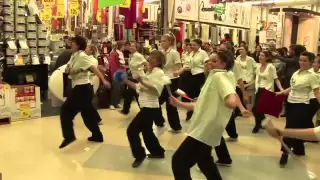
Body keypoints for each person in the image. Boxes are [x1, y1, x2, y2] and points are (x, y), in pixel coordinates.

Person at [169, 50, 251, 180]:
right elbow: (200, 105)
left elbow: (231, 96)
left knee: (179, 162)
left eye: (214, 61)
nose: (209, 64)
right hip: (208, 127)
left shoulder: (219, 77)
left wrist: (232, 102)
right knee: (204, 160)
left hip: (205, 128)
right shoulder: (224, 75)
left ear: (223, 64)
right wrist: (180, 104)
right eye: (208, 61)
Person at [59, 36, 111, 149]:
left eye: (73, 42)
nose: (70, 44)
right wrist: (72, 70)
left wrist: (103, 80)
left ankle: (69, 136)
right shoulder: (74, 55)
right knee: (86, 114)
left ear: (78, 45)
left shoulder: (82, 56)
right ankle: (97, 136)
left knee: (65, 110)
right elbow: (67, 69)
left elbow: (95, 69)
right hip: (79, 88)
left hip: (83, 89)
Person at [124, 50, 170, 168]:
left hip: (150, 108)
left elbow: (155, 90)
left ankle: (139, 155)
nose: (150, 59)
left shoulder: (158, 73)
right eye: (150, 57)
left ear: (159, 61)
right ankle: (157, 152)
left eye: (153, 58)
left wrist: (141, 81)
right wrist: (125, 81)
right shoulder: (150, 72)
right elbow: (138, 87)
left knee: (132, 130)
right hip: (147, 107)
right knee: (146, 131)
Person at [275, 51, 320, 166]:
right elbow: (293, 87)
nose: (302, 62)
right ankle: (300, 149)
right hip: (291, 103)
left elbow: (317, 92)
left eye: (305, 61)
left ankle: (284, 153)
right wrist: (282, 93)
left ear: (311, 62)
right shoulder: (297, 72)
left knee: (289, 128)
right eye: (300, 60)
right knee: (297, 127)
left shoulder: (312, 76)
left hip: (302, 105)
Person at [155, 33, 182, 131]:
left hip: (172, 80)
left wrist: (177, 72)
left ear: (170, 42)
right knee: (156, 101)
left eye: (164, 41)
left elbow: (179, 67)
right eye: (161, 41)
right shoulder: (161, 52)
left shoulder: (174, 53)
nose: (162, 43)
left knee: (170, 104)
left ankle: (176, 126)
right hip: (162, 79)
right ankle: (159, 121)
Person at [252, 51, 284, 133]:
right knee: (256, 109)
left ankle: (257, 125)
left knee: (256, 109)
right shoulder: (257, 66)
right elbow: (256, 78)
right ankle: (261, 120)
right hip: (258, 89)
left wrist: (281, 89)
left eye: (262, 55)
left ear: (266, 57)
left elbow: (276, 79)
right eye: (259, 55)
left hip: (267, 90)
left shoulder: (271, 67)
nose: (260, 57)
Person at [184, 39, 208, 121]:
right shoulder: (191, 53)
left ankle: (198, 114)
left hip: (199, 75)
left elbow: (207, 64)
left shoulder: (203, 53)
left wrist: (206, 75)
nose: (192, 46)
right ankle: (190, 112)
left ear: (199, 45)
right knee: (190, 95)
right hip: (192, 74)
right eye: (191, 45)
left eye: (194, 45)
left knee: (198, 96)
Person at [120, 42, 148, 115]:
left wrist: (148, 72)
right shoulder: (131, 56)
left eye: (133, 46)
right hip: (134, 77)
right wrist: (128, 71)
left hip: (139, 78)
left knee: (137, 94)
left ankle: (143, 111)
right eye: (130, 46)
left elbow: (147, 63)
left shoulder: (139, 56)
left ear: (136, 48)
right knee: (129, 93)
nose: (131, 47)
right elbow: (132, 67)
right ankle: (126, 110)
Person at [85, 45, 103, 125]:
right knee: (86, 103)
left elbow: (92, 71)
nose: (85, 50)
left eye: (87, 49)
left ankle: (97, 119)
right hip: (86, 82)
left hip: (90, 83)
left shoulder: (93, 60)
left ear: (91, 51)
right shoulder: (85, 58)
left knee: (88, 103)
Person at [108, 41, 126, 110]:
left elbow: (122, 65)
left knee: (121, 88)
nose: (124, 47)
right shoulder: (113, 54)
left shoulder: (121, 53)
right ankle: (112, 103)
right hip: (116, 74)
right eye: (123, 45)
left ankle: (117, 102)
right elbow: (113, 66)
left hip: (122, 74)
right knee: (116, 89)